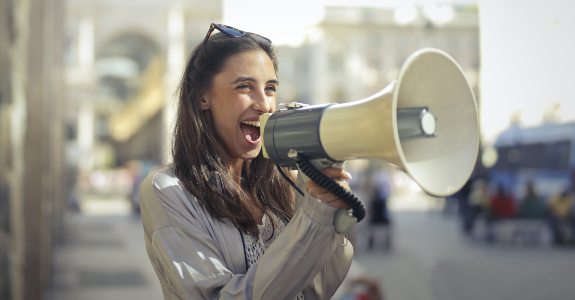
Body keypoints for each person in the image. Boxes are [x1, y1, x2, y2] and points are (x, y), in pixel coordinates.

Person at [139, 23, 355, 299]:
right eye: (245, 86)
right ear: (203, 97)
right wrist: (312, 221)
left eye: (271, 89)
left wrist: (329, 217)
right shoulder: (168, 190)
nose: (264, 104)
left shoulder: (283, 183)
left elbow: (313, 291)